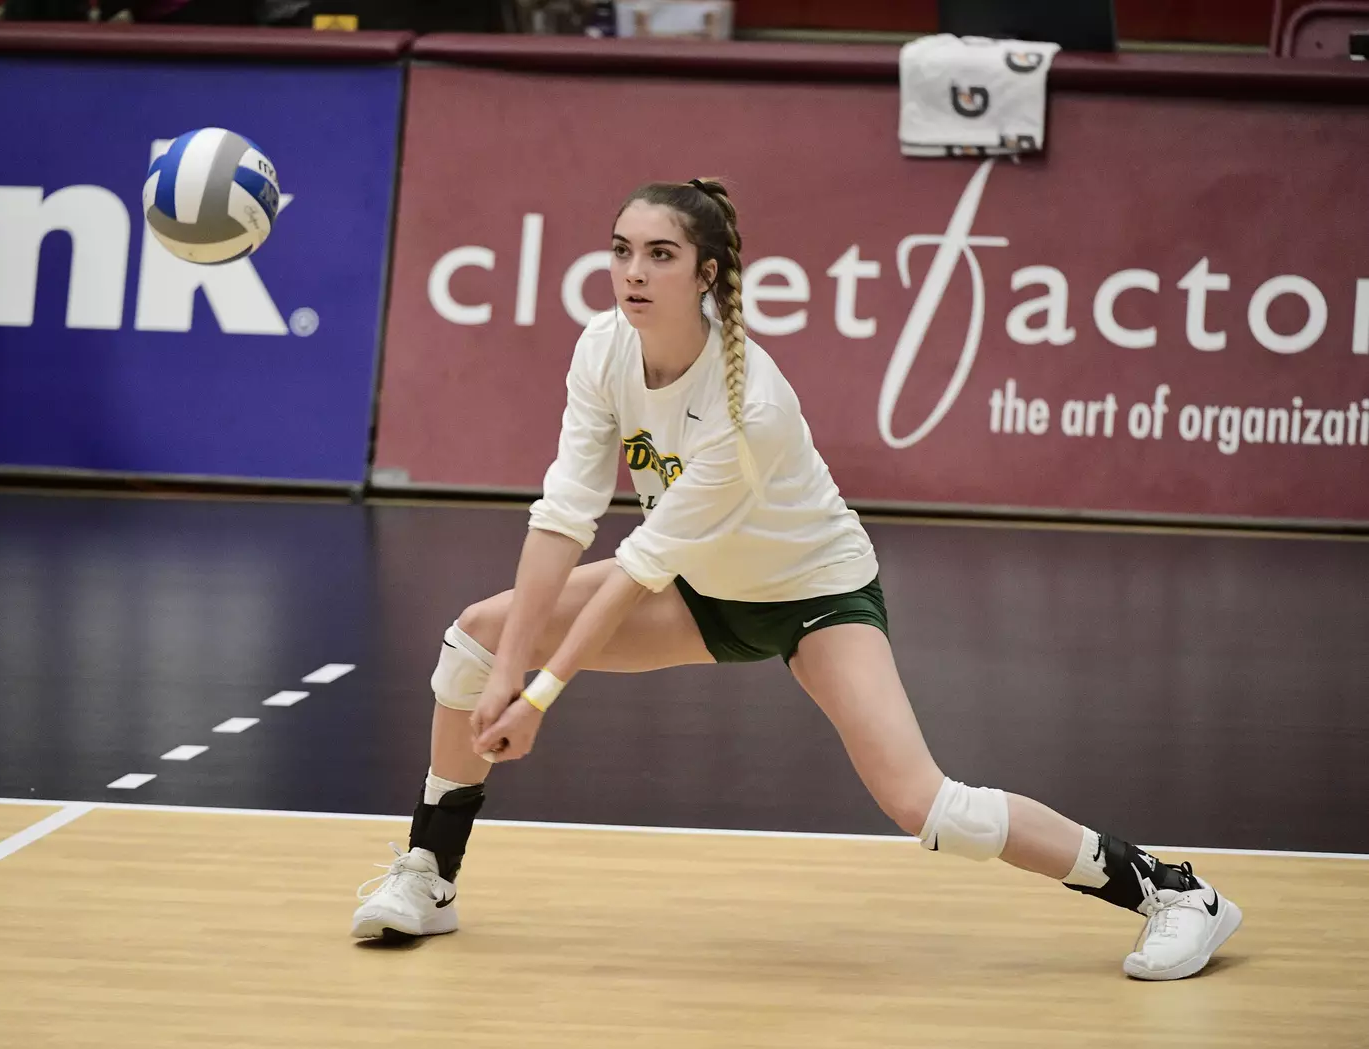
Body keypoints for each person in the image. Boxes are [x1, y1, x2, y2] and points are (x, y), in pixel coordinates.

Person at [351, 177, 1243, 981]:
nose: (633, 270)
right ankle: (430, 875)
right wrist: (507, 672)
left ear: (705, 274)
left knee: (924, 804)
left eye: (660, 254)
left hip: (814, 596)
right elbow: (564, 516)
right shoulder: (602, 350)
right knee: (474, 641)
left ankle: (1173, 894)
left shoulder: (747, 406)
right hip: (704, 594)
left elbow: (634, 568)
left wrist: (539, 694)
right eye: (621, 249)